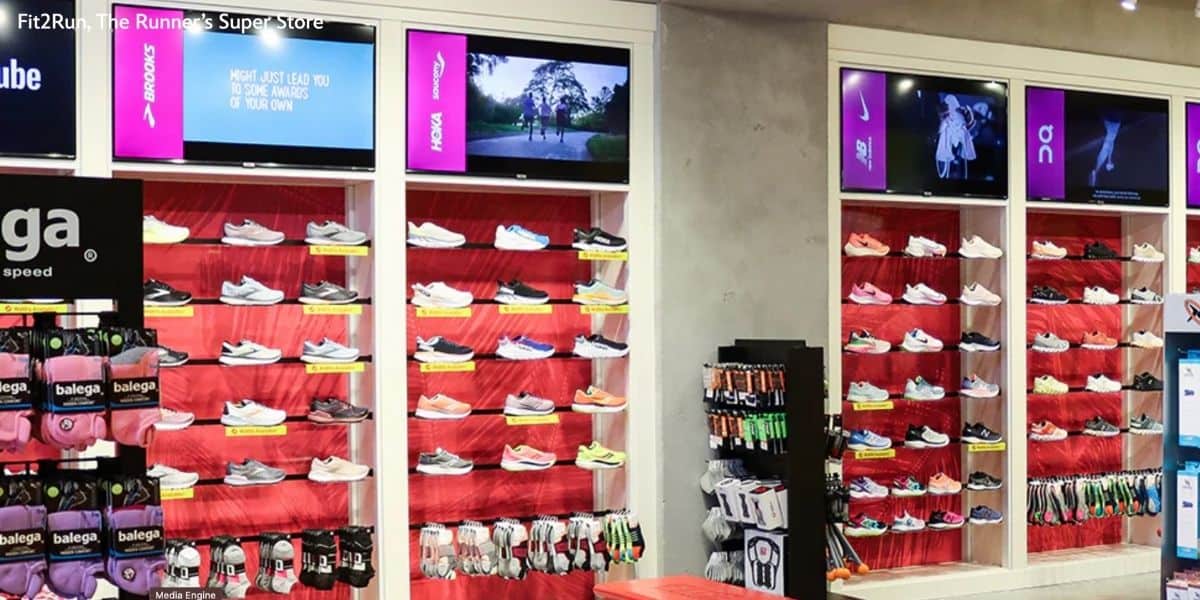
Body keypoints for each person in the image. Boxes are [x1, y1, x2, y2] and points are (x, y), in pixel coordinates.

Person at [934, 94, 977, 180]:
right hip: (948, 139)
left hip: (957, 141)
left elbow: (967, 127)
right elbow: (940, 129)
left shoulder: (960, 116)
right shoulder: (946, 117)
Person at [1090, 113, 1122, 187]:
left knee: (1109, 142)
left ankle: (1096, 171)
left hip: (1110, 120)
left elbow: (1110, 143)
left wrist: (1109, 160)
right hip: (1112, 120)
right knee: (1108, 144)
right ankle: (1095, 172)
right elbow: (1110, 143)